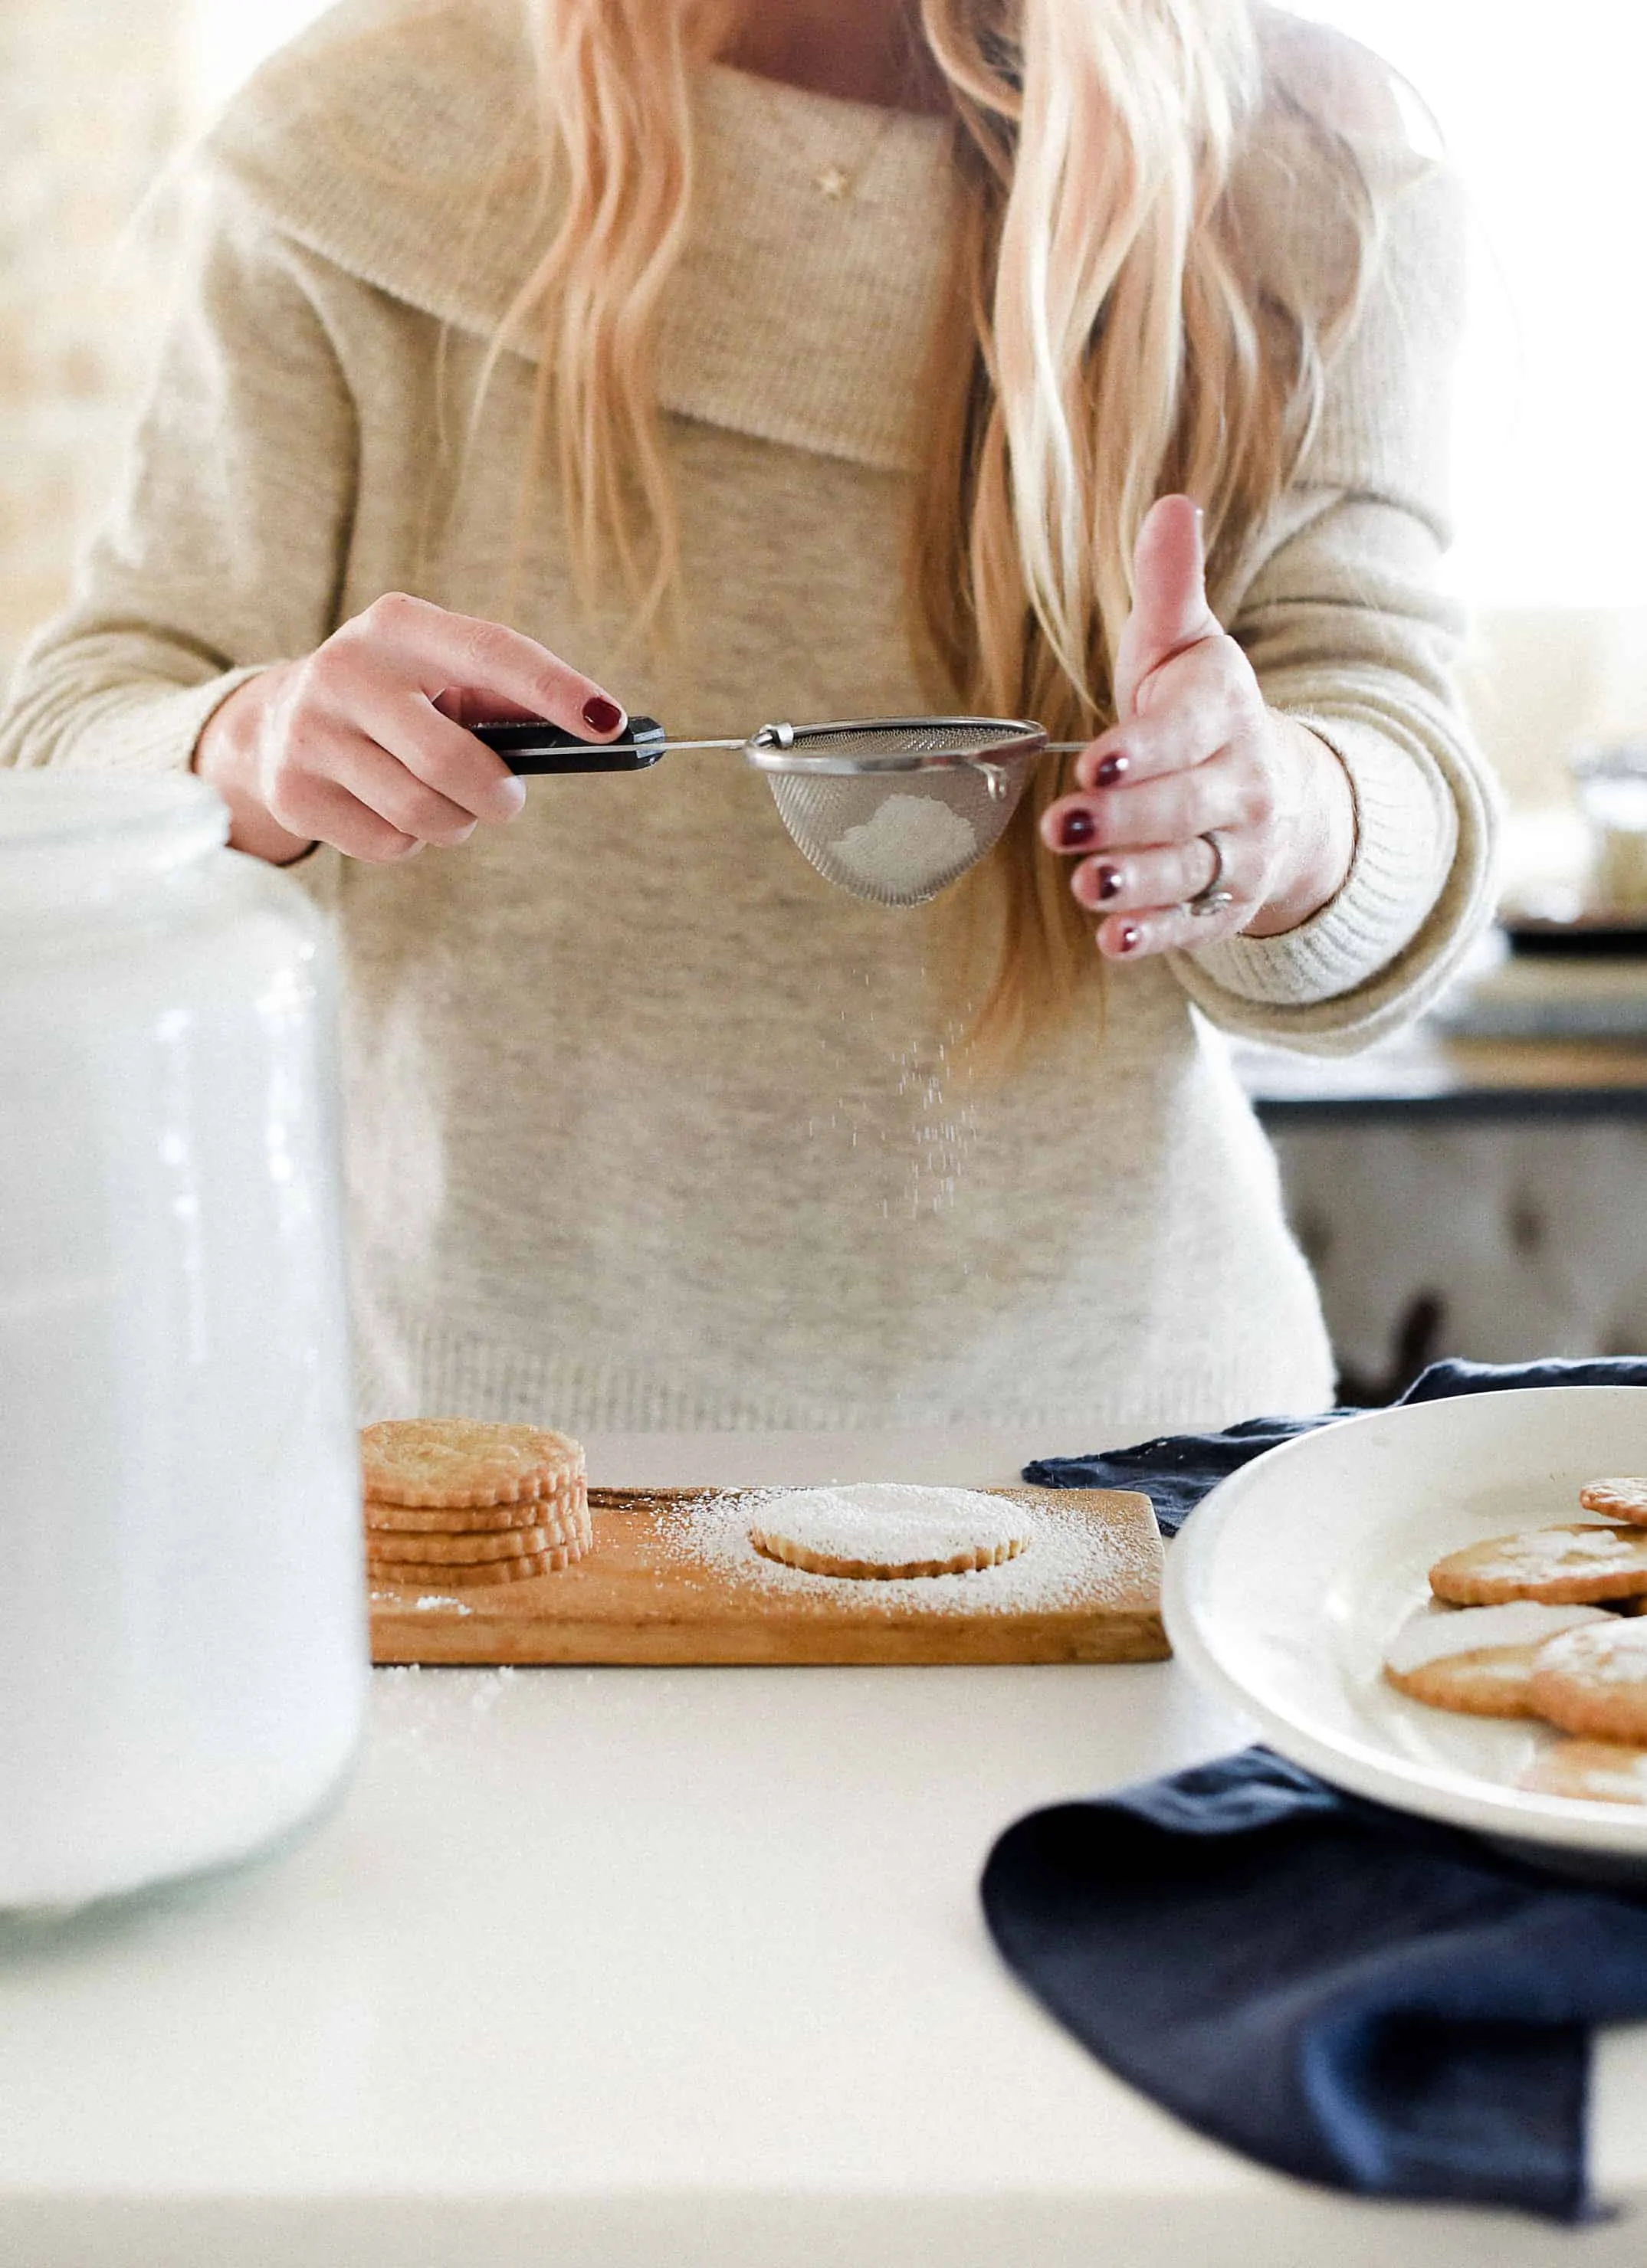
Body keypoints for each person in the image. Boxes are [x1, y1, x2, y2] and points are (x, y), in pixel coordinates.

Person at [0, 0, 1497, 1446]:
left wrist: (1286, 814)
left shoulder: (1304, 166)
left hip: (1116, 1481)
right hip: (472, 1481)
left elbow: (1392, 764)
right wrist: (246, 746)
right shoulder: (359, 142)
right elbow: (67, 737)